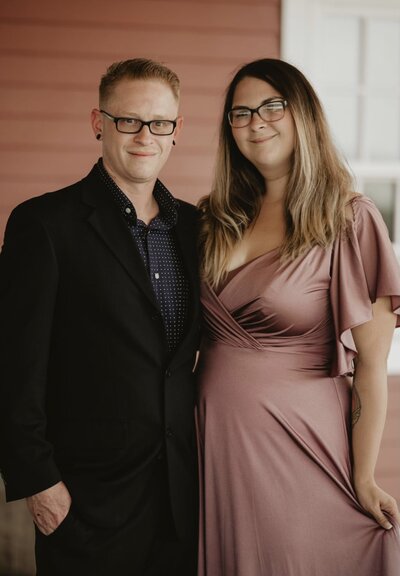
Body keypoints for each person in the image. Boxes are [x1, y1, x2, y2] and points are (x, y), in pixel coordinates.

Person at [196, 58, 400, 575]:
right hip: (211, 446)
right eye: (240, 113)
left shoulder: (350, 219)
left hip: (301, 445)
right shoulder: (215, 218)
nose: (255, 122)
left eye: (271, 106)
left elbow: (372, 369)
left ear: (303, 113)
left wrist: (365, 475)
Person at [0, 58, 200, 576]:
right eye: (127, 120)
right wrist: (38, 480)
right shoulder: (44, 224)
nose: (144, 136)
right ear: (99, 123)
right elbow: (14, 364)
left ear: (176, 129)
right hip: (85, 501)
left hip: (183, 500)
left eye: (159, 123)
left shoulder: (196, 230)